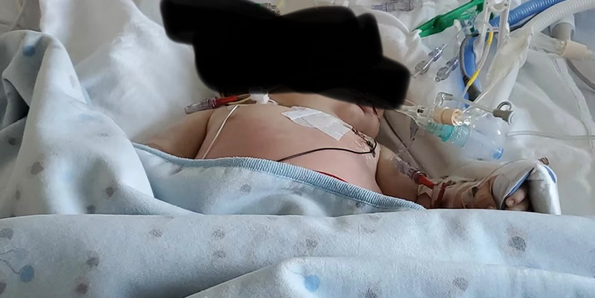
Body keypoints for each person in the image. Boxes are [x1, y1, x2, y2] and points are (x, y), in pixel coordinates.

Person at [145, 92, 530, 211]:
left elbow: (425, 195)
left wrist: (475, 196)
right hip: (231, 219)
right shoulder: (232, 112)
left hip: (350, 231)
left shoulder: (370, 149)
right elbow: (142, 163)